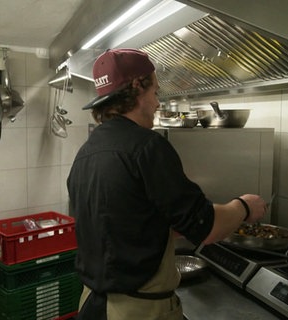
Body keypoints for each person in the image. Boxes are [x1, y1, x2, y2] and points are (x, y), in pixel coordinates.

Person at [66, 48, 268, 320]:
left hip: (92, 304)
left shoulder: (86, 152)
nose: (158, 103)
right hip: (137, 311)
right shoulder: (148, 147)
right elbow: (207, 228)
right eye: (156, 93)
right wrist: (244, 206)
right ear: (138, 88)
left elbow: (121, 225)